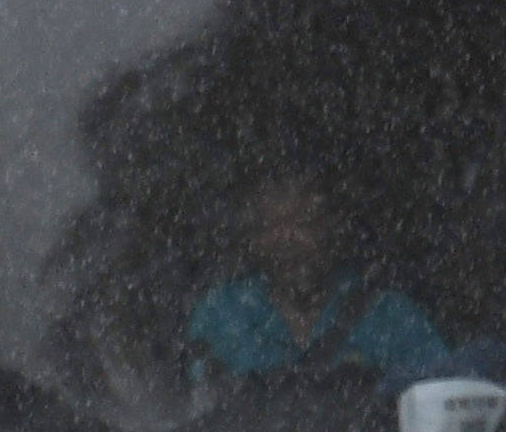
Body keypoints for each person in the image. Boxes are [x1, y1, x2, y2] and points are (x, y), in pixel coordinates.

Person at [183, 164, 449, 398]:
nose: (287, 240)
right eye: (269, 227)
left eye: (303, 222)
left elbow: (443, 406)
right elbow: (200, 412)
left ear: (334, 228)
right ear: (251, 239)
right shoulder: (220, 313)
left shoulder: (391, 316)